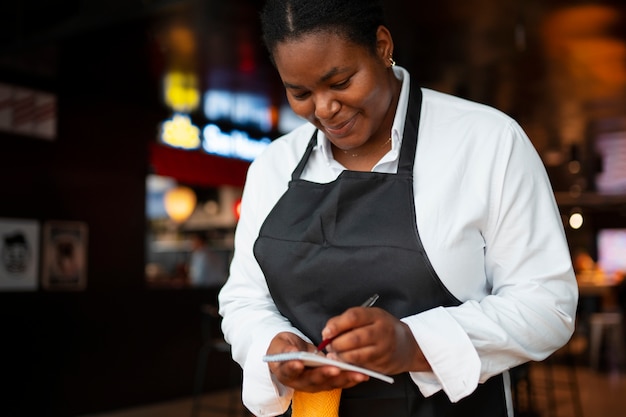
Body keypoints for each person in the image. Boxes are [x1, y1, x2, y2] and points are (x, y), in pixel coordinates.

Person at [218, 0, 578, 416]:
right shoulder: (272, 165)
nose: (323, 109)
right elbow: (244, 297)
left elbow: (546, 303)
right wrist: (275, 348)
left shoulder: (487, 142)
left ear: (383, 47)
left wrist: (414, 344)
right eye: (300, 93)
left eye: (340, 81)